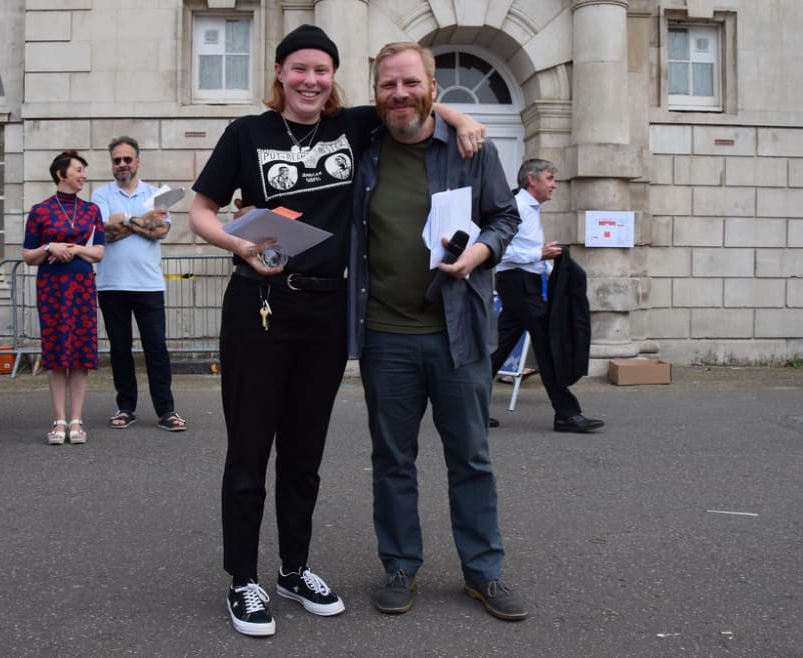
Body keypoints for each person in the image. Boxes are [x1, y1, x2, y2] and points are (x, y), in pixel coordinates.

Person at [189, 25, 487, 637]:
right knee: (250, 448)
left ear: (333, 78)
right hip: (261, 306)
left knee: (305, 451)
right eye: (299, 69)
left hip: (325, 315)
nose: (310, 81)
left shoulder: (352, 126)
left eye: (322, 71)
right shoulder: (247, 134)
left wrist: (459, 118)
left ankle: (293, 569)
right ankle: (242, 578)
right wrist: (239, 243)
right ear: (279, 73)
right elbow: (199, 210)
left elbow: (407, 103)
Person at [347, 42, 526, 621]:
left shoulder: (471, 150)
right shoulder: (363, 149)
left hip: (460, 333)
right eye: (387, 85)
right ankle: (400, 564)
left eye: (410, 83)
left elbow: (505, 216)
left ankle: (484, 572)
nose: (399, 94)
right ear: (375, 93)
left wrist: (478, 253)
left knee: (470, 457)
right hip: (385, 336)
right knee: (392, 458)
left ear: (431, 87)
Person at [489, 159, 603, 433]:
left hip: (521, 282)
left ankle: (468, 409)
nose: (554, 185)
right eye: (550, 178)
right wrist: (538, 254)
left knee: (496, 348)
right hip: (518, 284)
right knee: (548, 344)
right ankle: (566, 413)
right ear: (532, 179)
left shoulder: (528, 208)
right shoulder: (516, 207)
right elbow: (496, 250)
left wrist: (545, 263)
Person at [92, 136, 185, 432]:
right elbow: (103, 233)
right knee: (120, 349)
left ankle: (166, 410)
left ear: (137, 161)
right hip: (111, 284)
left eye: (127, 159)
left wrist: (127, 219)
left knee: (156, 348)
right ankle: (126, 407)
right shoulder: (100, 194)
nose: (122, 164)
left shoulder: (156, 194)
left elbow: (160, 231)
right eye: (117, 160)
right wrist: (141, 221)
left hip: (148, 285)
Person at [22, 150, 105, 445]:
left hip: (82, 284)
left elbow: (99, 251)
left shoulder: (92, 210)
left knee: (80, 353)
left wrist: (74, 249)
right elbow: (28, 255)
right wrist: (49, 248)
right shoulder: (40, 210)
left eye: (83, 170)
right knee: (56, 352)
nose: (84, 175)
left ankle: (76, 420)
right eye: (78, 170)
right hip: (52, 287)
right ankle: (58, 420)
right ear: (61, 174)